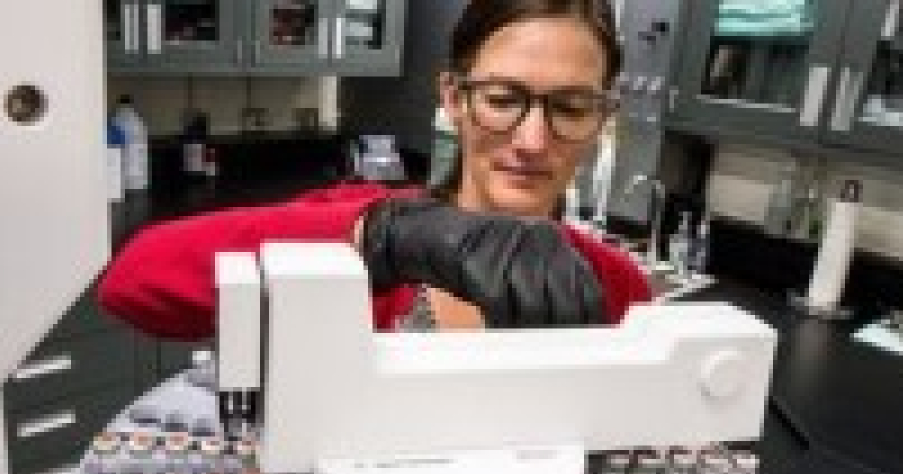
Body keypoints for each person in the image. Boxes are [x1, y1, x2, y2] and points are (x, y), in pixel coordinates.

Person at [100, 0, 650, 340]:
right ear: (454, 99)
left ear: (602, 118)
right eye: (502, 99)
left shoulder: (615, 285)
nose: (532, 141)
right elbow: (133, 281)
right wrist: (386, 239)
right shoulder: (359, 229)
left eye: (572, 108)